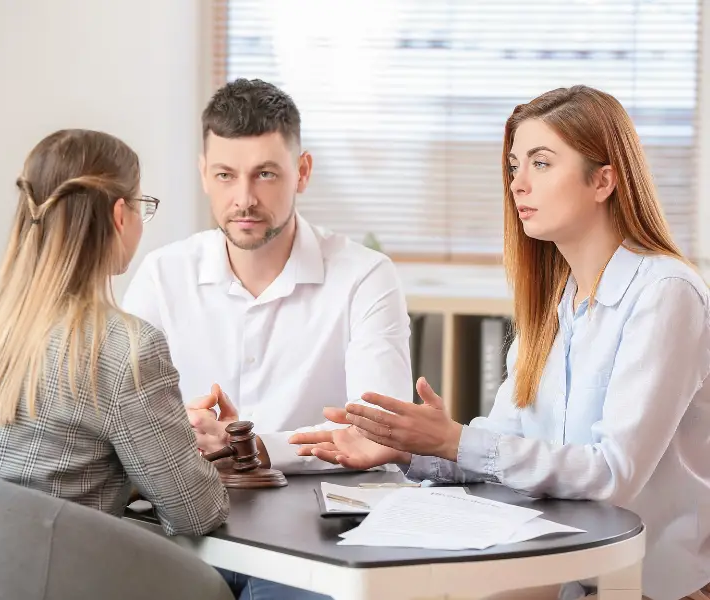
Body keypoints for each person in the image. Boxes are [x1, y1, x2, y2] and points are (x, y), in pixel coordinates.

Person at [291, 86, 710, 600]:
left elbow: (612, 473)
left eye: (541, 163)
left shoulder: (665, 293)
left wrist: (453, 440)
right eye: (514, 166)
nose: (518, 184)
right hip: (563, 569)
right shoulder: (555, 307)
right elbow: (505, 443)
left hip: (648, 587)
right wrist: (407, 449)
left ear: (603, 180)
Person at [121, 78, 413, 600]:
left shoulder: (365, 276)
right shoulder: (163, 275)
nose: (244, 199)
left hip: (318, 536)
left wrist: (248, 448)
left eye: (265, 174)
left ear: (302, 172)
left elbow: (378, 434)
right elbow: (125, 418)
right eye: (225, 175)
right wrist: (185, 429)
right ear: (204, 175)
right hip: (186, 529)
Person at [0, 129, 229, 537]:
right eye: (142, 206)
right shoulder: (126, 349)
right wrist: (176, 454)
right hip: (56, 571)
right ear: (120, 215)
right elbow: (196, 514)